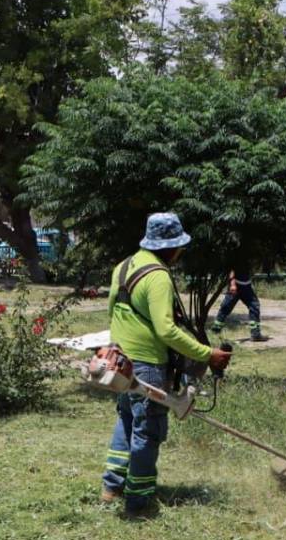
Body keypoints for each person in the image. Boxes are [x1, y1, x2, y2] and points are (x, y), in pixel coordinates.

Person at [102, 213, 231, 519]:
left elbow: (111, 310)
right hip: (146, 363)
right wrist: (206, 354)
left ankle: (112, 488)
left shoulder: (124, 266)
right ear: (170, 248)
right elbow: (166, 330)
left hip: (120, 360)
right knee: (149, 429)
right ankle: (138, 499)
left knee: (127, 420)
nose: (180, 254)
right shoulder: (158, 275)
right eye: (179, 248)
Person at [210, 266, 267, 341]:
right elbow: (232, 268)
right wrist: (233, 284)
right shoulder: (237, 256)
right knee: (225, 307)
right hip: (236, 286)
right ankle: (215, 331)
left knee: (254, 306)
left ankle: (256, 334)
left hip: (247, 286)